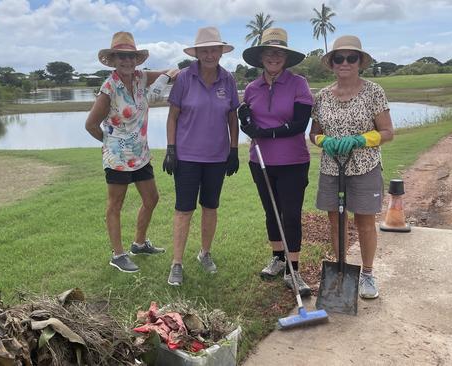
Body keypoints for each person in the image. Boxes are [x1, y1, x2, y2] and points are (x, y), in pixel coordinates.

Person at [85, 31, 179, 273]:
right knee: (115, 204)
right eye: (121, 57)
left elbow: (176, 70)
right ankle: (118, 255)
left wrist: (163, 80)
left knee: (152, 198)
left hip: (141, 155)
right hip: (118, 158)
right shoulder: (109, 88)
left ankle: (139, 243)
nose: (127, 62)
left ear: (137, 60)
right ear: (114, 59)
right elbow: (91, 125)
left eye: (131, 57)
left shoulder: (141, 77)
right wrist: (111, 142)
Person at [309, 35, 394, 299]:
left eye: (351, 57)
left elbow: (388, 132)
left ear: (360, 62)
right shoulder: (322, 96)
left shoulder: (374, 91)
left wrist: (360, 139)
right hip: (332, 168)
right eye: (339, 58)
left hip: (365, 166)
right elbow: (313, 134)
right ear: (332, 63)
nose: (345, 62)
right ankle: (341, 269)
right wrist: (324, 140)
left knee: (365, 221)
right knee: (336, 221)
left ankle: (367, 274)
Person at [238, 28, 314, 297]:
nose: (273, 57)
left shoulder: (298, 84)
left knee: (290, 215)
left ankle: (293, 269)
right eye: (269, 52)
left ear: (285, 57)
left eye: (278, 52)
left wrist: (267, 132)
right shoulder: (251, 88)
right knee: (271, 211)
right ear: (261, 57)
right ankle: (278, 258)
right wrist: (245, 122)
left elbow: (299, 125)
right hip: (260, 160)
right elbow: (248, 121)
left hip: (293, 160)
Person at [162, 26, 240, 286]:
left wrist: (234, 150)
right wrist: (171, 149)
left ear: (220, 51)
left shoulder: (228, 79)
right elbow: (173, 116)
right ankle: (177, 263)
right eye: (204, 50)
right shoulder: (184, 77)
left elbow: (232, 117)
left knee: (211, 206)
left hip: (217, 157)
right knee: (184, 209)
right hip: (187, 157)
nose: (209, 54)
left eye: (214, 50)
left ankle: (205, 253)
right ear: (197, 53)